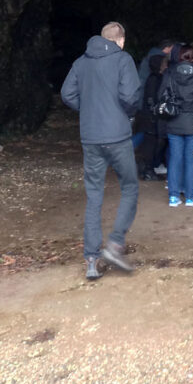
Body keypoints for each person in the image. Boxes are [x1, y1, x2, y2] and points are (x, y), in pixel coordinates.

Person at [60, 21, 140, 280]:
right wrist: (125, 114)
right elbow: (131, 96)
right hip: (117, 136)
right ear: (121, 40)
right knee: (129, 186)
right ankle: (115, 244)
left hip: (91, 137)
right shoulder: (123, 59)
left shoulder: (81, 62)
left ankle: (92, 260)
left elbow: (66, 94)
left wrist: (89, 109)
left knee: (94, 195)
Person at [159, 44, 193, 207]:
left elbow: (161, 96)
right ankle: (189, 196)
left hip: (174, 120)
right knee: (191, 160)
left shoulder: (169, 72)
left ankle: (173, 196)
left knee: (175, 158)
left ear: (178, 57)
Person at [136, 53, 168, 180]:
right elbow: (151, 98)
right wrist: (155, 113)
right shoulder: (155, 79)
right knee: (150, 145)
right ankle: (148, 171)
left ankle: (148, 170)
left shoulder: (155, 77)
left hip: (150, 116)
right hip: (151, 118)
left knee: (152, 144)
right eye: (164, 63)